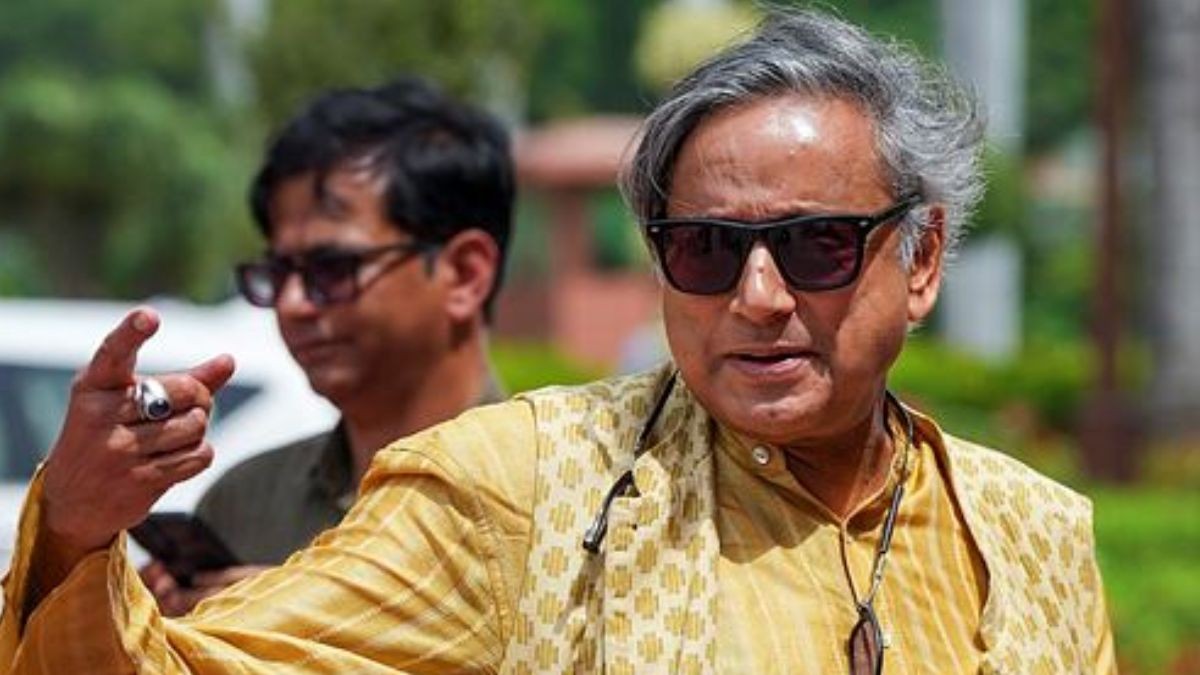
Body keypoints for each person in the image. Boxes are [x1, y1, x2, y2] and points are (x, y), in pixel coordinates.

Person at [1, 8, 1115, 674]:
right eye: (705, 249)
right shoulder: (520, 488)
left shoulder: (1032, 533)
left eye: (816, 244)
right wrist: (79, 532)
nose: (759, 295)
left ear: (921, 260)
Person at [149, 77, 516, 616]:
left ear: (465, 274)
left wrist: (293, 625)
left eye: (332, 268)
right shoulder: (245, 504)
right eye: (279, 272)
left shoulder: (555, 500)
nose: (293, 303)